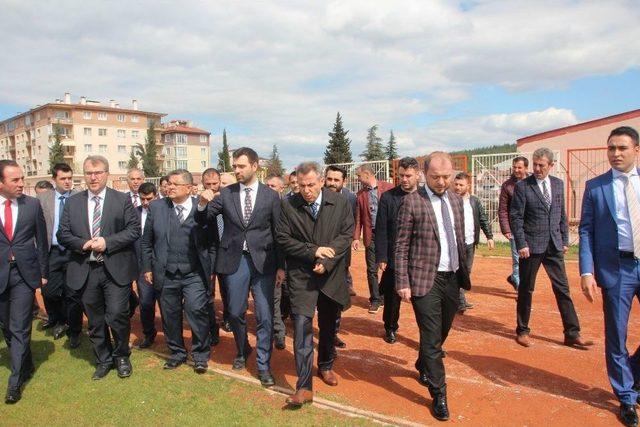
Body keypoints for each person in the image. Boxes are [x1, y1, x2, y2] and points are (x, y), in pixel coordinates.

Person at [196, 147, 284, 388]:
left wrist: (281, 266)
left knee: (265, 315)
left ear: (255, 166)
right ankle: (243, 347)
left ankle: (264, 365)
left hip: (264, 262)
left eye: (241, 166)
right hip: (234, 261)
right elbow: (204, 218)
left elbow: (279, 232)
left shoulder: (270, 196)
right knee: (234, 312)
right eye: (235, 166)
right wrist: (203, 204)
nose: (236, 170)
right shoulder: (226, 194)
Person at [395, 152, 470, 421]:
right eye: (436, 177)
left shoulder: (456, 200)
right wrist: (402, 282)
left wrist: (464, 272)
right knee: (430, 335)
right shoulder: (412, 203)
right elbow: (401, 245)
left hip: (451, 277)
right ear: (425, 174)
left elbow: (460, 238)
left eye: (447, 176)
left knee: (441, 331)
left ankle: (423, 360)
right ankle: (439, 393)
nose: (442, 182)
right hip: (424, 279)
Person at [276, 162, 354, 408]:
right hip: (301, 277)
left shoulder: (340, 202)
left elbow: (345, 234)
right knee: (301, 328)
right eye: (302, 186)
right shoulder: (288, 204)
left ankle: (326, 365)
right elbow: (283, 239)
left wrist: (327, 260)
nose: (306, 190)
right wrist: (313, 252)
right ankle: (304, 386)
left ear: (321, 181)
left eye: (311, 185)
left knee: (329, 325)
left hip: (331, 276)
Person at [57, 155, 140, 380]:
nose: (93, 177)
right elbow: (62, 234)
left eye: (98, 172)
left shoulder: (121, 200)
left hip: (115, 269)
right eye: (89, 173)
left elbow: (134, 230)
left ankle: (122, 356)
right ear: (84, 175)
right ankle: (103, 359)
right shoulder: (73, 202)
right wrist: (81, 244)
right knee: (95, 320)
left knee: (117, 315)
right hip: (86, 269)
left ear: (107, 174)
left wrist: (108, 242)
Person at [579, 126, 640, 427]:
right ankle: (626, 397)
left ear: (636, 151)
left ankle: (633, 375)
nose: (615, 154)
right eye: (611, 148)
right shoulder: (596, 186)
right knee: (617, 333)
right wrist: (587, 270)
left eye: (622, 148)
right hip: (616, 269)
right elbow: (586, 230)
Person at [510, 147, 592, 349]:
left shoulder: (558, 184)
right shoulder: (523, 187)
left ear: (551, 166)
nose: (537, 169)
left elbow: (561, 214)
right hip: (531, 247)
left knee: (562, 289)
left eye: (542, 165)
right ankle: (522, 330)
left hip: (554, 245)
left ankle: (572, 333)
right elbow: (516, 217)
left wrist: (564, 239)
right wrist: (521, 244)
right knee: (526, 289)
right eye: (535, 164)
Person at [142, 170, 213, 374]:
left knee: (196, 311)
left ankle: (200, 355)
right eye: (168, 184)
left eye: (175, 184)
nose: (169, 187)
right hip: (166, 272)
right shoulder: (156, 207)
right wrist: (147, 267)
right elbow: (146, 241)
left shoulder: (202, 208)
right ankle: (177, 353)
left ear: (189, 188)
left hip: (194, 273)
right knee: (169, 314)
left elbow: (210, 237)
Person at [0, 160, 48, 404]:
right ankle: (26, 362)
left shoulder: (32, 205)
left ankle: (15, 383)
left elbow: (42, 240)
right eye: (15, 180)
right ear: (1, 183)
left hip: (24, 275)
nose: (21, 184)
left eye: (22, 179)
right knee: (7, 328)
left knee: (19, 327)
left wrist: (43, 271)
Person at [36, 163, 82, 348]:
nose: (67, 182)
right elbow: (37, 228)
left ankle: (74, 331)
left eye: (70, 178)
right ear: (54, 179)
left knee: (73, 294)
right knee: (50, 291)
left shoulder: (79, 197)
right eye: (63, 178)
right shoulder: (42, 199)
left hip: (74, 253)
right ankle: (60, 320)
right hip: (52, 252)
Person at [375, 157, 419, 344]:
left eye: (408, 175)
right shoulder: (388, 197)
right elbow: (381, 228)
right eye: (401, 175)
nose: (404, 179)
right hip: (395, 257)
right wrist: (382, 256)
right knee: (393, 298)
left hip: (419, 257)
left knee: (424, 300)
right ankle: (390, 327)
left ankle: (428, 337)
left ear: (418, 175)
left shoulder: (425, 197)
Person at [353, 165, 393, 313]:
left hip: (388, 236)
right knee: (371, 269)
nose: (357, 179)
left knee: (389, 268)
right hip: (371, 235)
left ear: (367, 174)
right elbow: (358, 219)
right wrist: (356, 237)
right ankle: (375, 299)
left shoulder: (389, 188)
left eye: (359, 176)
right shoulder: (360, 195)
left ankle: (384, 295)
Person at [452, 172, 494, 313]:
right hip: (456, 244)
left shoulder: (474, 201)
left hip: (470, 243)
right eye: (456, 184)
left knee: (466, 272)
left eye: (461, 185)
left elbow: (482, 218)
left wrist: (489, 236)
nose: (457, 187)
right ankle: (460, 302)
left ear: (468, 186)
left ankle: (459, 299)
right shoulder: (449, 200)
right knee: (457, 272)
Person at [324, 165, 356, 349]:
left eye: (337, 180)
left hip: (341, 258)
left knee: (335, 299)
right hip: (317, 255)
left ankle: (332, 332)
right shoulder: (316, 197)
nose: (333, 183)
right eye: (330, 179)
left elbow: (348, 229)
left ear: (343, 181)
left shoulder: (350, 198)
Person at [200, 167, 226, 341]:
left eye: (214, 183)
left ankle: (229, 318)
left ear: (220, 183)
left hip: (227, 251)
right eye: (208, 184)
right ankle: (212, 328)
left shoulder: (229, 198)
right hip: (208, 252)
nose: (211, 187)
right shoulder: (199, 202)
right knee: (207, 292)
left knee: (228, 289)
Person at [265, 174, 289, 350]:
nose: (269, 188)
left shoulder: (288, 207)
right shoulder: (261, 206)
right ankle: (278, 332)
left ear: (282, 188)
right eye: (267, 185)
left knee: (287, 298)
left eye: (273, 186)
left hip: (289, 260)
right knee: (274, 297)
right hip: (268, 260)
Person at [135, 182, 160, 349]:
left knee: (168, 304)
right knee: (145, 303)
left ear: (156, 196)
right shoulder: (133, 213)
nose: (145, 202)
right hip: (143, 266)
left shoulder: (165, 210)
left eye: (149, 199)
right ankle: (149, 334)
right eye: (142, 199)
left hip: (162, 265)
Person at [498, 157, 529, 290]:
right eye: (514, 167)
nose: (516, 170)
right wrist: (506, 229)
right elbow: (503, 209)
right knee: (517, 260)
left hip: (531, 228)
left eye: (519, 167)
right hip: (515, 229)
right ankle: (520, 289)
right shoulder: (507, 186)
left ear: (526, 168)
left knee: (529, 261)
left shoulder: (533, 182)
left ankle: (515, 278)